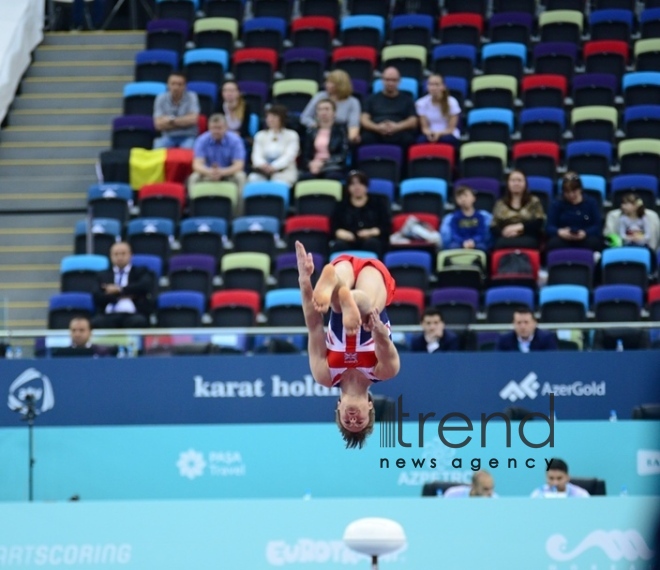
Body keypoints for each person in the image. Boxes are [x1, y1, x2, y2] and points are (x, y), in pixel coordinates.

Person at [296, 240, 400, 449]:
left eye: (347, 421)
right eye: (359, 421)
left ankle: (337, 287)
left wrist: (304, 279)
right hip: (374, 284)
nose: (353, 418)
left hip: (341, 277)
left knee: (333, 302)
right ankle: (348, 300)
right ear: (370, 406)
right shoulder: (384, 371)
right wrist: (379, 331)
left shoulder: (324, 375)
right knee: (367, 310)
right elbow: (384, 346)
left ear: (339, 408)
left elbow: (314, 326)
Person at [92, 242, 154, 329]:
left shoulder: (141, 271)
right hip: (109, 315)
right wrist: (127, 295)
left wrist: (119, 289)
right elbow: (97, 296)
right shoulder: (102, 275)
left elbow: (144, 287)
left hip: (133, 314)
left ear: (131, 255)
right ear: (111, 256)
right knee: (97, 322)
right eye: (116, 254)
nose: (120, 257)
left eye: (123, 254)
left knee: (140, 321)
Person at [330, 170, 391, 258]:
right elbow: (334, 227)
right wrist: (342, 233)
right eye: (353, 184)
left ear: (366, 186)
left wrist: (371, 232)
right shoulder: (341, 205)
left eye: (360, 183)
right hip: (348, 240)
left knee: (373, 243)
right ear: (348, 187)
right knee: (338, 245)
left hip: (371, 239)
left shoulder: (378, 203)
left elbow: (386, 226)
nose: (357, 187)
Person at [360, 67, 418, 149]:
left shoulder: (407, 99)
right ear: (382, 80)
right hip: (376, 132)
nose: (390, 83)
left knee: (408, 140)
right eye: (387, 80)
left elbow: (413, 121)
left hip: (399, 132)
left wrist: (397, 127)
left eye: (394, 80)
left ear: (399, 81)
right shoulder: (371, 99)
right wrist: (377, 128)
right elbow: (364, 120)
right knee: (365, 138)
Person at [300, 69, 362, 144]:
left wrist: (352, 136)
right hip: (317, 133)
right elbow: (305, 117)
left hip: (339, 136)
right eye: (327, 81)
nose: (326, 84)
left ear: (340, 85)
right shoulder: (320, 96)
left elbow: (353, 124)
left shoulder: (353, 102)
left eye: (330, 82)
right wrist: (317, 126)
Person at [190, 113, 247, 194]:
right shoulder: (201, 140)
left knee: (241, 177)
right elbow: (197, 165)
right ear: (209, 128)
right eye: (213, 128)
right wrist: (210, 172)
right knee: (194, 177)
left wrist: (222, 172)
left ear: (226, 128)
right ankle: (194, 205)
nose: (216, 131)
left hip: (228, 173)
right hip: (208, 173)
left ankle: (240, 207)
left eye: (219, 128)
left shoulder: (235, 140)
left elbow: (239, 165)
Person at [546, 172, 602, 252]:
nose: (571, 195)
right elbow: (549, 227)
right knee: (552, 244)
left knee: (595, 243)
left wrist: (585, 233)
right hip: (563, 238)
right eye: (567, 192)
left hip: (585, 237)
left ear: (580, 189)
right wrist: (559, 232)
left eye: (574, 191)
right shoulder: (556, 203)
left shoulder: (591, 202)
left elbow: (597, 225)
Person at [491, 170, 546, 250]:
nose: (516, 183)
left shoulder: (534, 201)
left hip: (528, 236)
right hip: (506, 237)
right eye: (513, 181)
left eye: (519, 180)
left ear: (525, 184)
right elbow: (493, 226)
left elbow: (539, 222)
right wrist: (505, 233)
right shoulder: (500, 203)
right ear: (508, 184)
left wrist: (519, 228)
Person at [248, 105, 300, 187]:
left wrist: (274, 166)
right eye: (268, 116)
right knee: (253, 179)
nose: (270, 119)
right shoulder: (260, 135)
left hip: (284, 172)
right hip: (262, 171)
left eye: (274, 116)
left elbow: (289, 156)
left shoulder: (292, 135)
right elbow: (256, 155)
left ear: (282, 118)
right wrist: (263, 165)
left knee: (278, 182)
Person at [300, 99, 349, 181]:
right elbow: (306, 155)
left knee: (331, 176)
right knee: (305, 178)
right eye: (320, 109)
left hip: (333, 165)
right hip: (314, 165)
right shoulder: (310, 131)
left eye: (327, 109)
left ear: (334, 113)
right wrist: (311, 164)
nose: (323, 112)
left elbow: (342, 155)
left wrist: (323, 163)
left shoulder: (341, 131)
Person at [153, 72, 200, 149]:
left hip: (188, 136)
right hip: (167, 136)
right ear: (168, 85)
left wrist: (171, 120)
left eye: (179, 84)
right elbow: (158, 124)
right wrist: (184, 121)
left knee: (188, 153)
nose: (176, 87)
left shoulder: (192, 97)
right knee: (158, 149)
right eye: (173, 84)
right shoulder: (160, 98)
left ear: (185, 86)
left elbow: (193, 120)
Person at [415, 74, 461, 147]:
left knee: (447, 140)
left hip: (448, 133)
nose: (433, 88)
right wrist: (430, 134)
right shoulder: (421, 103)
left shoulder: (452, 102)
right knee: (420, 141)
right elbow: (424, 128)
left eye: (437, 85)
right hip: (430, 133)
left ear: (443, 87)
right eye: (431, 84)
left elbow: (451, 128)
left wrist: (439, 134)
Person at [445, 185, 491, 251]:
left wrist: (473, 241)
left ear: (474, 198)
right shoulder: (455, 217)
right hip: (459, 243)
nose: (463, 199)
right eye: (460, 197)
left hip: (476, 243)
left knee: (482, 247)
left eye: (466, 196)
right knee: (453, 246)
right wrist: (463, 242)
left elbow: (481, 233)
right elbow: (454, 234)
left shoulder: (479, 217)